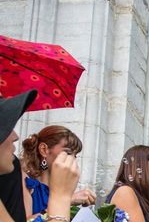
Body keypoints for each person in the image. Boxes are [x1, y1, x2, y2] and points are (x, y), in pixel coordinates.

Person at [0, 90, 80, 222]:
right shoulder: (24, 181)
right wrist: (62, 199)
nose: (16, 136)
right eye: (68, 152)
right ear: (44, 149)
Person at [21, 124, 96, 216]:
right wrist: (67, 201)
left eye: (75, 155)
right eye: (68, 152)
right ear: (44, 150)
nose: (72, 159)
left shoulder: (62, 191)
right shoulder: (26, 184)